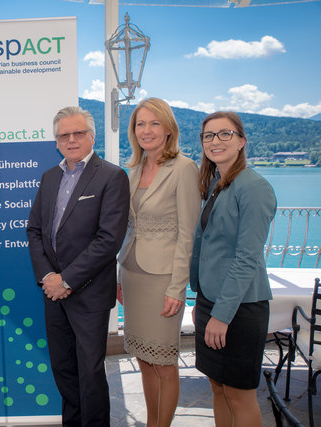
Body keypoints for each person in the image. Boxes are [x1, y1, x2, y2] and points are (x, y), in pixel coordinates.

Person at [26, 106, 129, 427]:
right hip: (53, 293)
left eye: (78, 133)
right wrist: (47, 277)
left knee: (90, 372)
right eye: (64, 135)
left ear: (91, 136)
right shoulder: (50, 177)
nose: (71, 140)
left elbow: (108, 239)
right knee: (63, 369)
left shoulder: (112, 176)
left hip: (88, 295)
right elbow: (35, 231)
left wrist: (66, 280)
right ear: (56, 142)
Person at [116, 98, 201, 427]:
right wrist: (118, 278)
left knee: (164, 361)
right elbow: (126, 227)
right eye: (140, 124)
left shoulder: (184, 168)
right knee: (144, 358)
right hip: (134, 275)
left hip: (164, 280)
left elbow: (187, 234)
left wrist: (177, 288)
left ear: (168, 129)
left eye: (153, 123)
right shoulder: (134, 170)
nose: (146, 130)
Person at [190, 111, 276, 426]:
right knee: (217, 386)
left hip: (239, 308)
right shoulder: (216, 182)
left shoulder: (254, 187)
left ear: (241, 141)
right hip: (210, 300)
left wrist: (221, 316)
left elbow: (246, 257)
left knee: (239, 394)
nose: (215, 141)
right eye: (208, 135)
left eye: (224, 134)